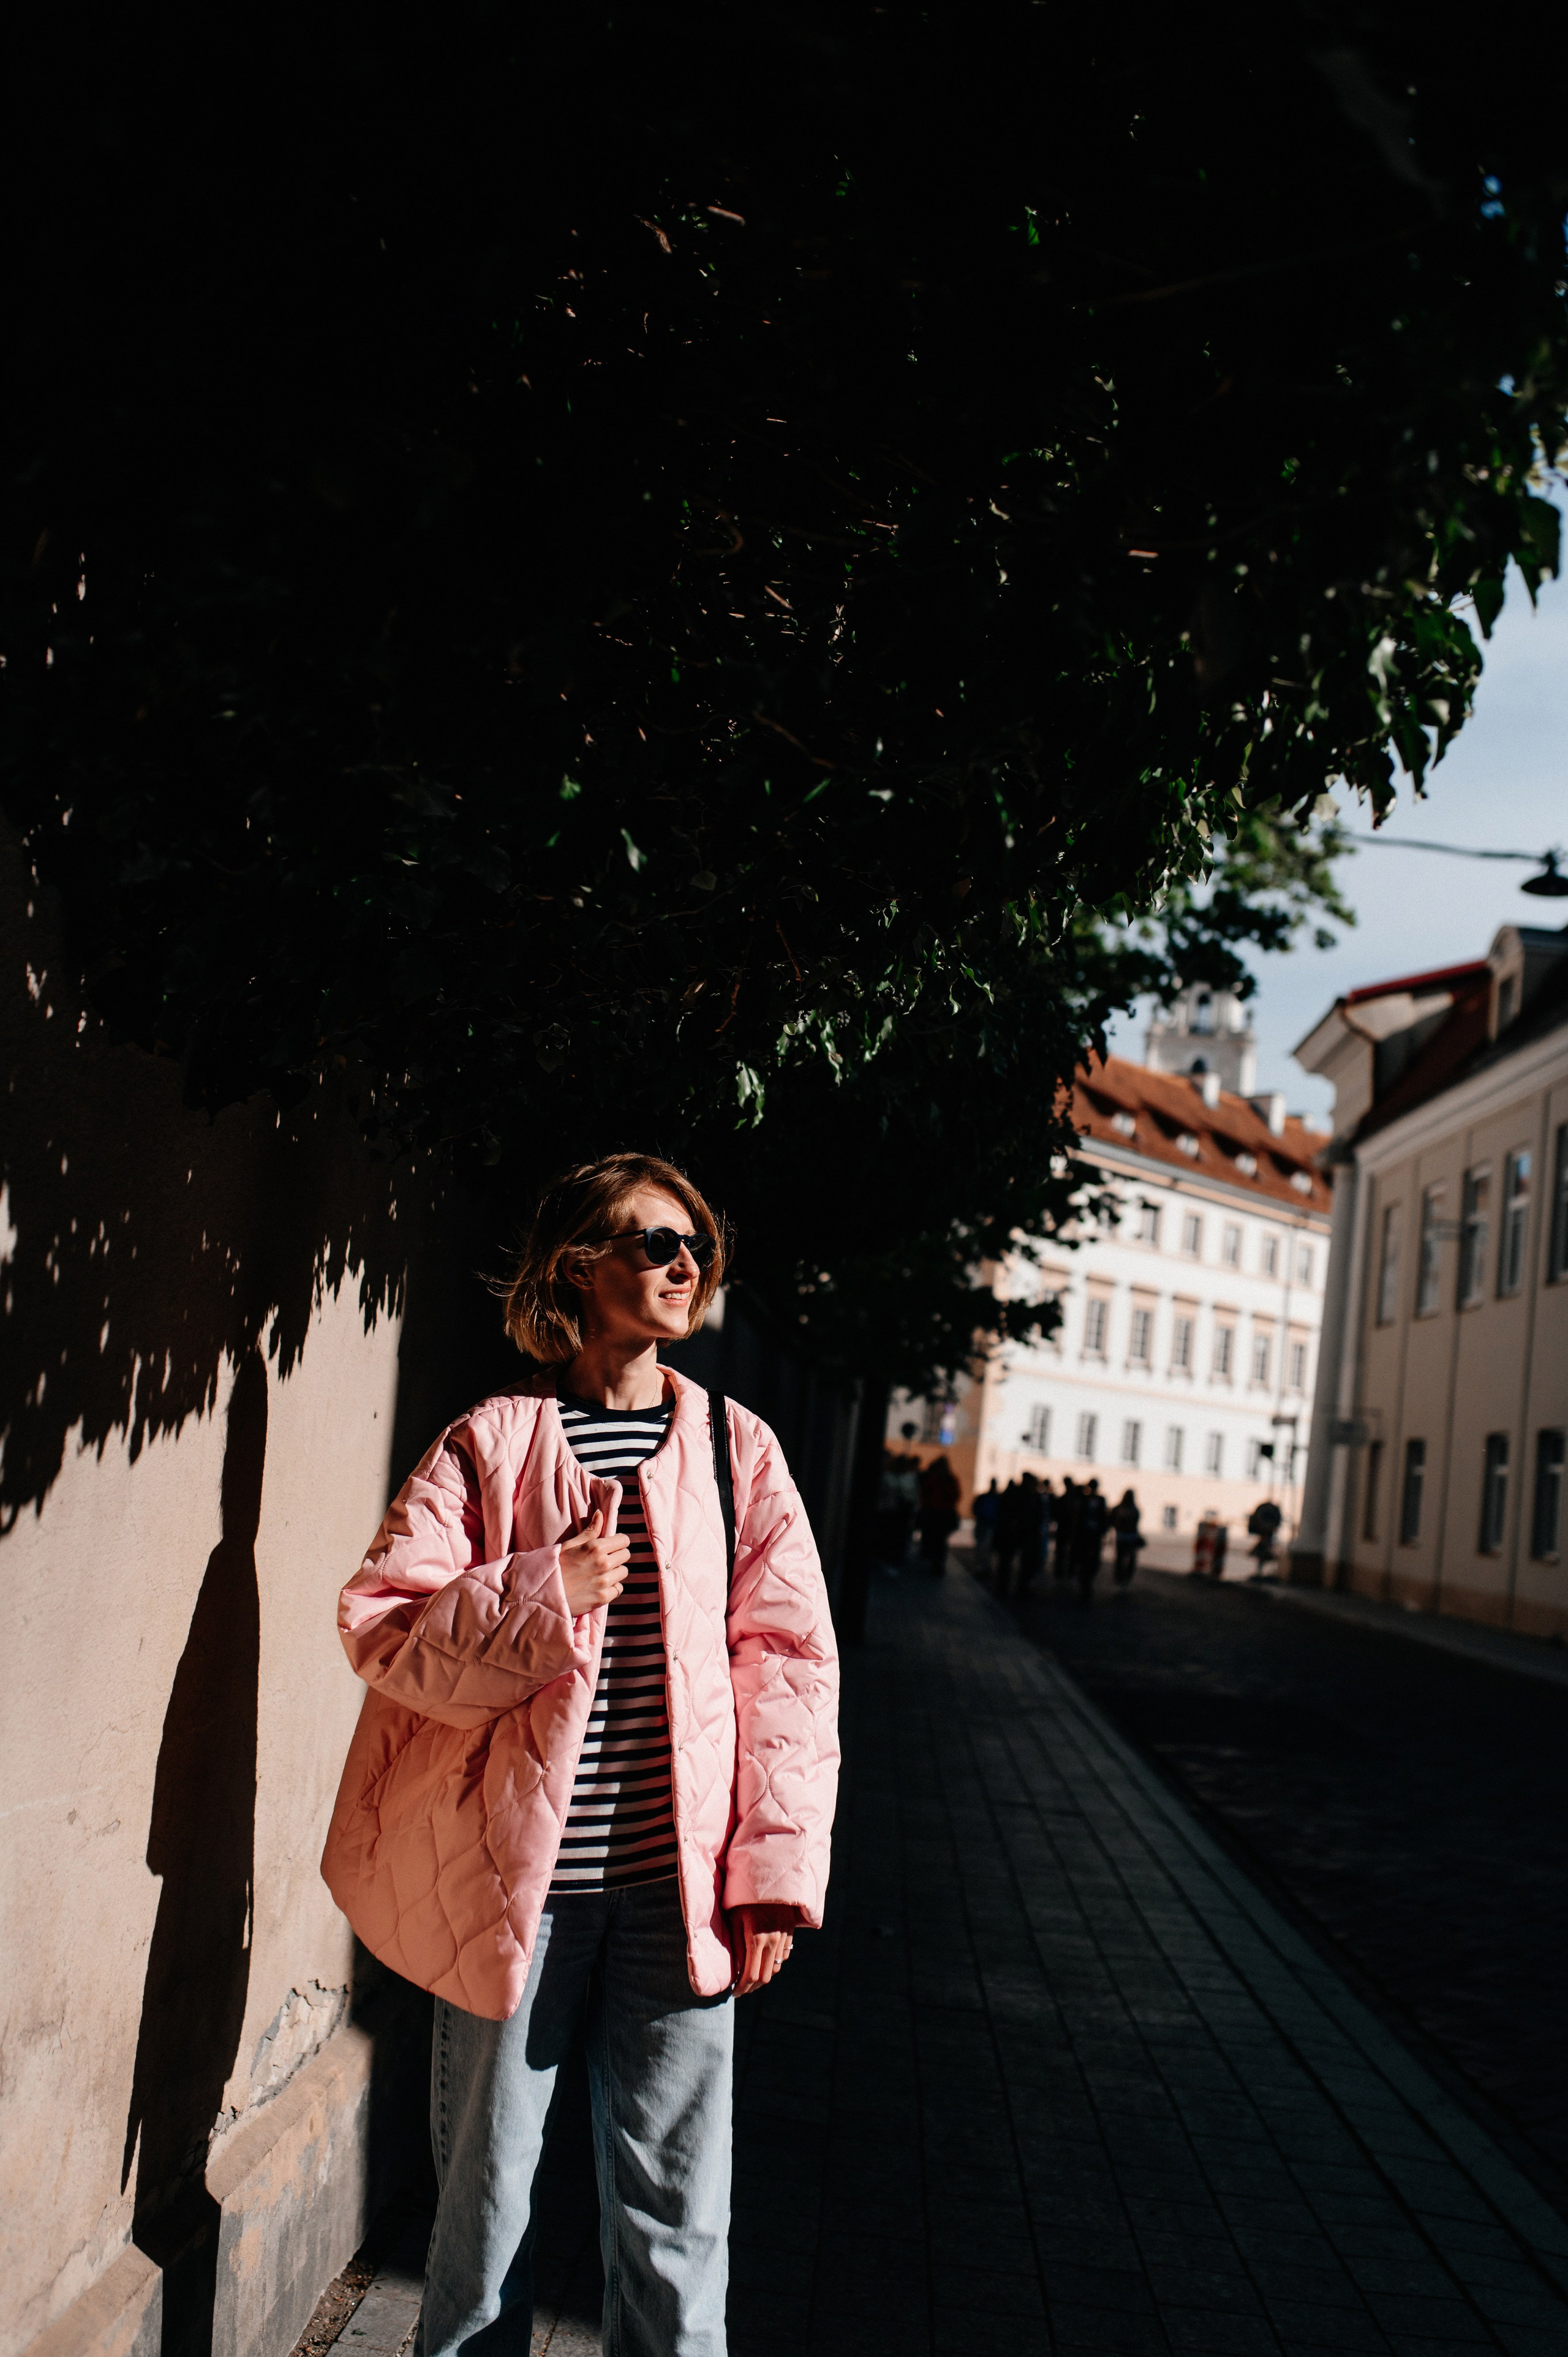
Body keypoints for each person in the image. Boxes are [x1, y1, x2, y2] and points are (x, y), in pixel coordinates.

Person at [321, 1153, 840, 2357]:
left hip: (678, 1893)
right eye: (655, 1241)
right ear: (577, 1264)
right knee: (485, 2215)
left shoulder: (737, 1450)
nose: (683, 1263)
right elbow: (383, 1627)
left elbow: (789, 1665)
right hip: (515, 1894)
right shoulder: (493, 1442)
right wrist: (542, 1587)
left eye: (696, 1244)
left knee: (679, 2232)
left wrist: (772, 1872)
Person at [918, 1452, 960, 1575]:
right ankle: (938, 1563)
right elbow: (956, 1496)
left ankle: (935, 1561)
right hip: (942, 1513)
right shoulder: (949, 1479)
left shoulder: (934, 1478)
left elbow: (924, 1494)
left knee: (935, 1538)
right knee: (941, 1541)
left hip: (934, 1513)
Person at [1074, 1477, 1109, 1599]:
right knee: (1086, 1559)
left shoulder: (1099, 1500)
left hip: (1094, 1534)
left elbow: (1103, 1517)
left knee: (1093, 1561)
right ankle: (1085, 1583)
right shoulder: (1085, 1499)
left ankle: (1086, 1581)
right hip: (1086, 1534)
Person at [1014, 1472, 1048, 1596]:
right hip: (1029, 1535)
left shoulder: (1031, 1497)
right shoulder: (1031, 1498)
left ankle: (1025, 1584)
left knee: (1028, 1562)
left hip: (1030, 1535)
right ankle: (1025, 1585)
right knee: (1028, 1562)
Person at [1110, 1488, 1143, 1586]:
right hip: (1128, 1537)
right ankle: (1124, 1578)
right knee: (1127, 1559)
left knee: (1122, 1559)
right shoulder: (1134, 1509)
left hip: (1123, 1537)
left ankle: (1121, 1577)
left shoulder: (1119, 1508)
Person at [1247, 1495, 1284, 1575]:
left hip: (1266, 1542)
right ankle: (1259, 1572)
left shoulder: (1267, 1540)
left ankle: (1260, 1572)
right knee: (1263, 1555)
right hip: (1266, 1541)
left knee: (1264, 1555)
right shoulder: (1270, 1516)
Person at [971, 1476, 1000, 1576]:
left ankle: (983, 1567)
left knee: (985, 1547)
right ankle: (982, 1567)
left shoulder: (989, 1498)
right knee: (983, 1547)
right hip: (986, 1524)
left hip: (988, 1525)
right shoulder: (989, 1498)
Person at [1052, 1476, 1079, 1581]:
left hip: (1065, 1528)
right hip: (1069, 1529)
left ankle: (1062, 1571)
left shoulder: (1065, 1499)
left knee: (1063, 1551)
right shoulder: (1072, 1499)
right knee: (1067, 1551)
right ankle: (1067, 1571)